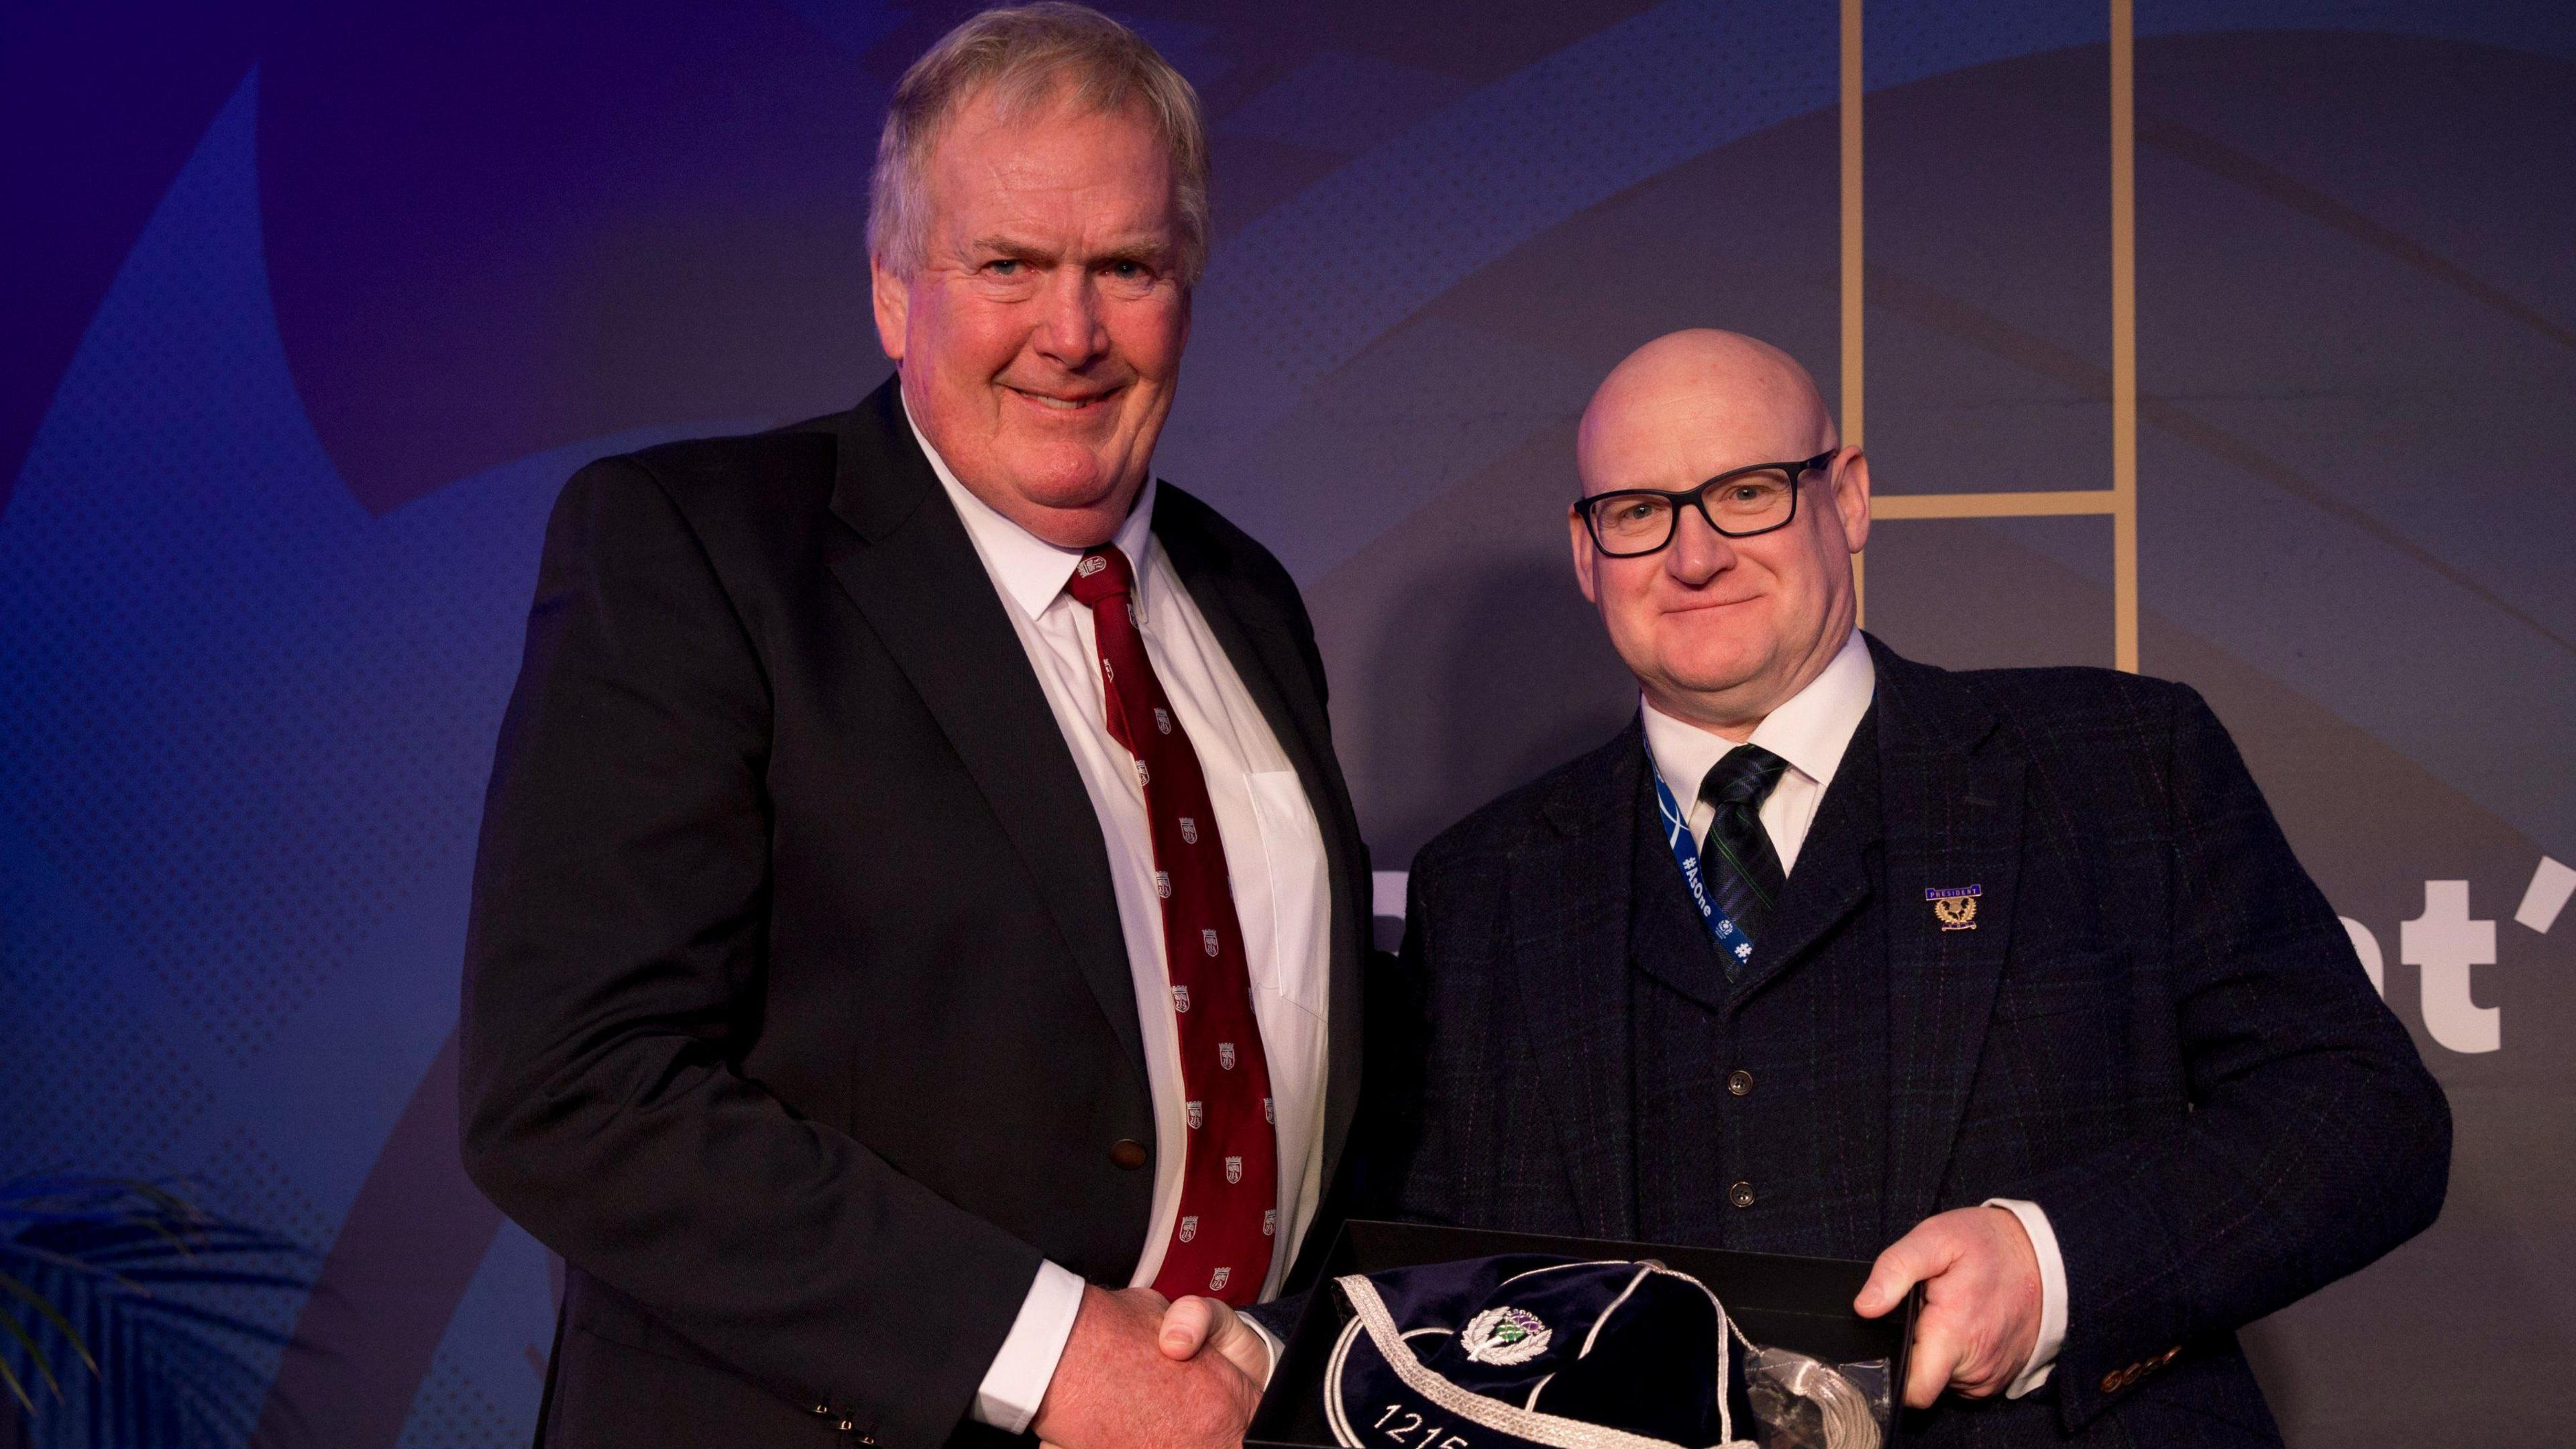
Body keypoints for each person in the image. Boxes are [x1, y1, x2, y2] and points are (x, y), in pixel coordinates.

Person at [1169, 329, 2450, 1444]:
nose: (1694, 553)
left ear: (1848, 497)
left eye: (1747, 492)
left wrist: (2052, 1263)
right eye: (1638, 511)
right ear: (1584, 550)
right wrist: (1275, 1349)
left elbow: (2363, 1118)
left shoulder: (2118, 769)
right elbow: (1436, 1270)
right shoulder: (1485, 886)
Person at [458, 7, 1369, 1446]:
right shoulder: (701, 552)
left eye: (1126, 268)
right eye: (1008, 265)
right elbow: (574, 1089)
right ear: (895, 292)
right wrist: (1060, 1353)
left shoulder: (1249, 598)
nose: (1071, 335)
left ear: (1187, 287)